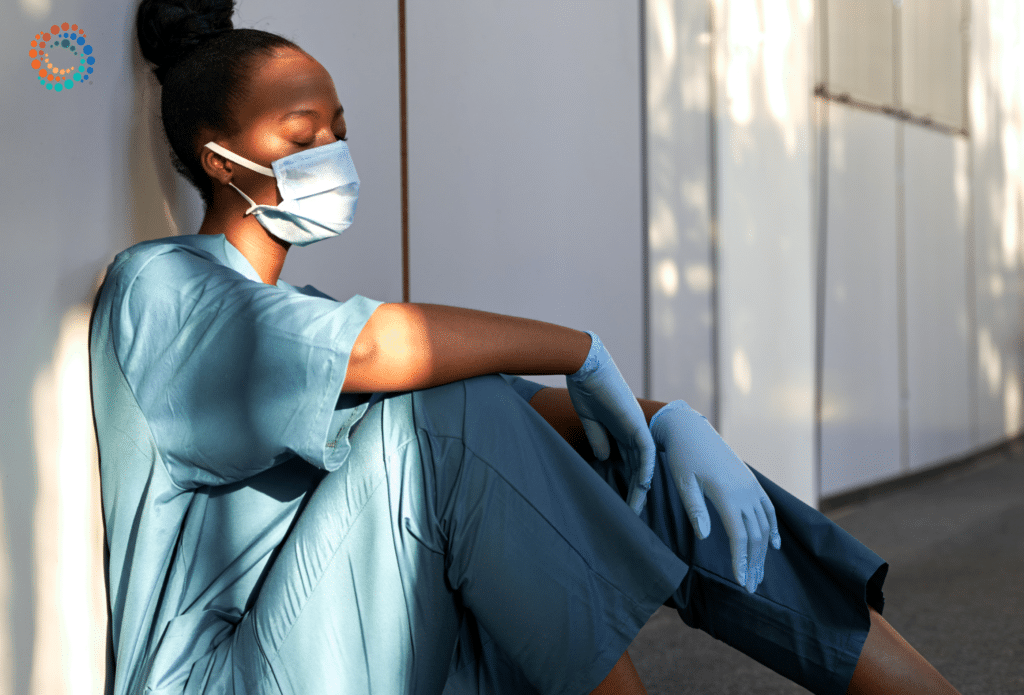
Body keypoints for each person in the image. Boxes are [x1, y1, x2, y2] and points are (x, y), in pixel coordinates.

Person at [90, 1, 961, 693]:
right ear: (219, 158)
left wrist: (667, 421)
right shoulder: (163, 287)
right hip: (232, 674)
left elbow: (512, 414)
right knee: (443, 413)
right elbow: (386, 355)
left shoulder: (301, 310)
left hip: (381, 639)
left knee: (640, 459)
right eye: (299, 133)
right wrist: (581, 350)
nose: (332, 151)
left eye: (339, 129)